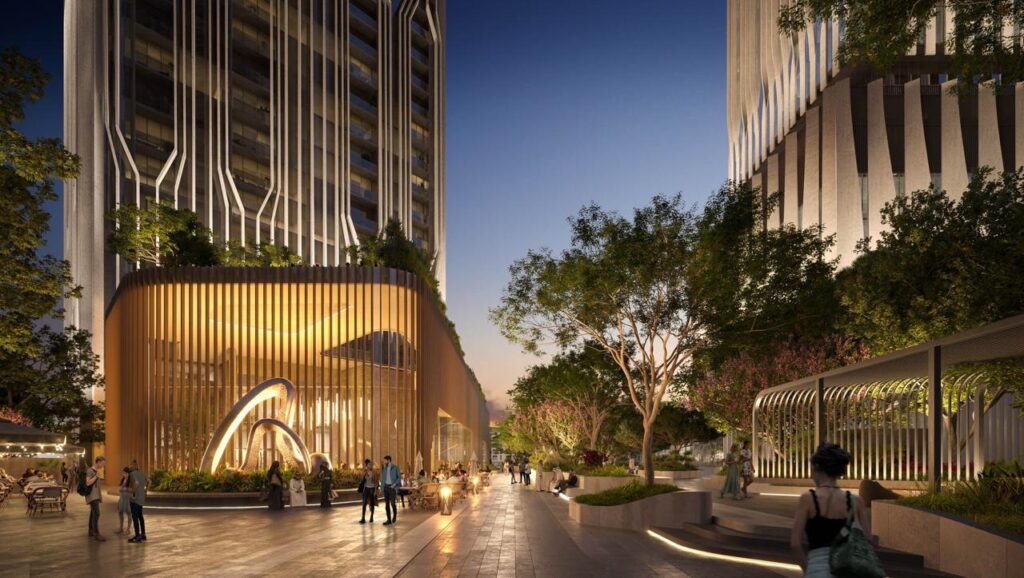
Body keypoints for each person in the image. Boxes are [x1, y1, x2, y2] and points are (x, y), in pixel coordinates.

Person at [790, 443, 872, 577]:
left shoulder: (808, 499)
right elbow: (867, 540)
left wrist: (809, 569)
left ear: (817, 467)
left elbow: (795, 544)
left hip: (816, 569)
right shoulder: (855, 501)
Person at [85, 456, 106, 541]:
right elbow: (88, 482)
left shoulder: (96, 471)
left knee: (93, 513)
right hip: (92, 495)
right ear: (98, 462)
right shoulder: (90, 471)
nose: (103, 465)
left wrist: (100, 497)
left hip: (96, 495)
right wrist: (96, 476)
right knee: (96, 513)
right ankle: (96, 533)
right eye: (103, 463)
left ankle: (90, 530)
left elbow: (98, 487)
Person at [128, 459, 148, 543]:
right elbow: (149, 481)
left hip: (135, 499)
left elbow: (136, 483)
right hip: (141, 498)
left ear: (134, 466)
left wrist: (132, 492)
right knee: (140, 516)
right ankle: (143, 534)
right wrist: (146, 490)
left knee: (135, 517)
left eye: (131, 465)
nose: (130, 466)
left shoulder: (132, 474)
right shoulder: (142, 473)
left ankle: (137, 536)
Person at [380, 455, 401, 525]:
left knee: (392, 503)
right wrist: (381, 488)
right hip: (386, 487)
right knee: (386, 504)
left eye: (385, 460)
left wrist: (394, 485)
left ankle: (394, 516)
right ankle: (388, 519)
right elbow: (383, 479)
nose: (384, 462)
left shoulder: (395, 468)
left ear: (388, 460)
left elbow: (399, 478)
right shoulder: (384, 469)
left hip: (392, 488)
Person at [359, 459, 377, 524]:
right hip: (366, 489)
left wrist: (375, 490)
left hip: (372, 489)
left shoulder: (374, 472)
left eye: (371, 464)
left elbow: (375, 482)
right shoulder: (364, 471)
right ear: (366, 465)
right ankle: (363, 518)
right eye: (369, 464)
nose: (371, 465)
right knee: (364, 504)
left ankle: (371, 517)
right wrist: (364, 474)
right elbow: (361, 480)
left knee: (372, 504)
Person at [116, 467, 132, 535]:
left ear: (128, 473)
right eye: (123, 473)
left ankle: (128, 529)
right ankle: (121, 528)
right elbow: (120, 488)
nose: (123, 474)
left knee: (129, 513)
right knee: (120, 512)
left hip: (128, 498)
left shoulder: (131, 480)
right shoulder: (123, 479)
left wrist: (123, 489)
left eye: (125, 473)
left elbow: (131, 489)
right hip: (122, 498)